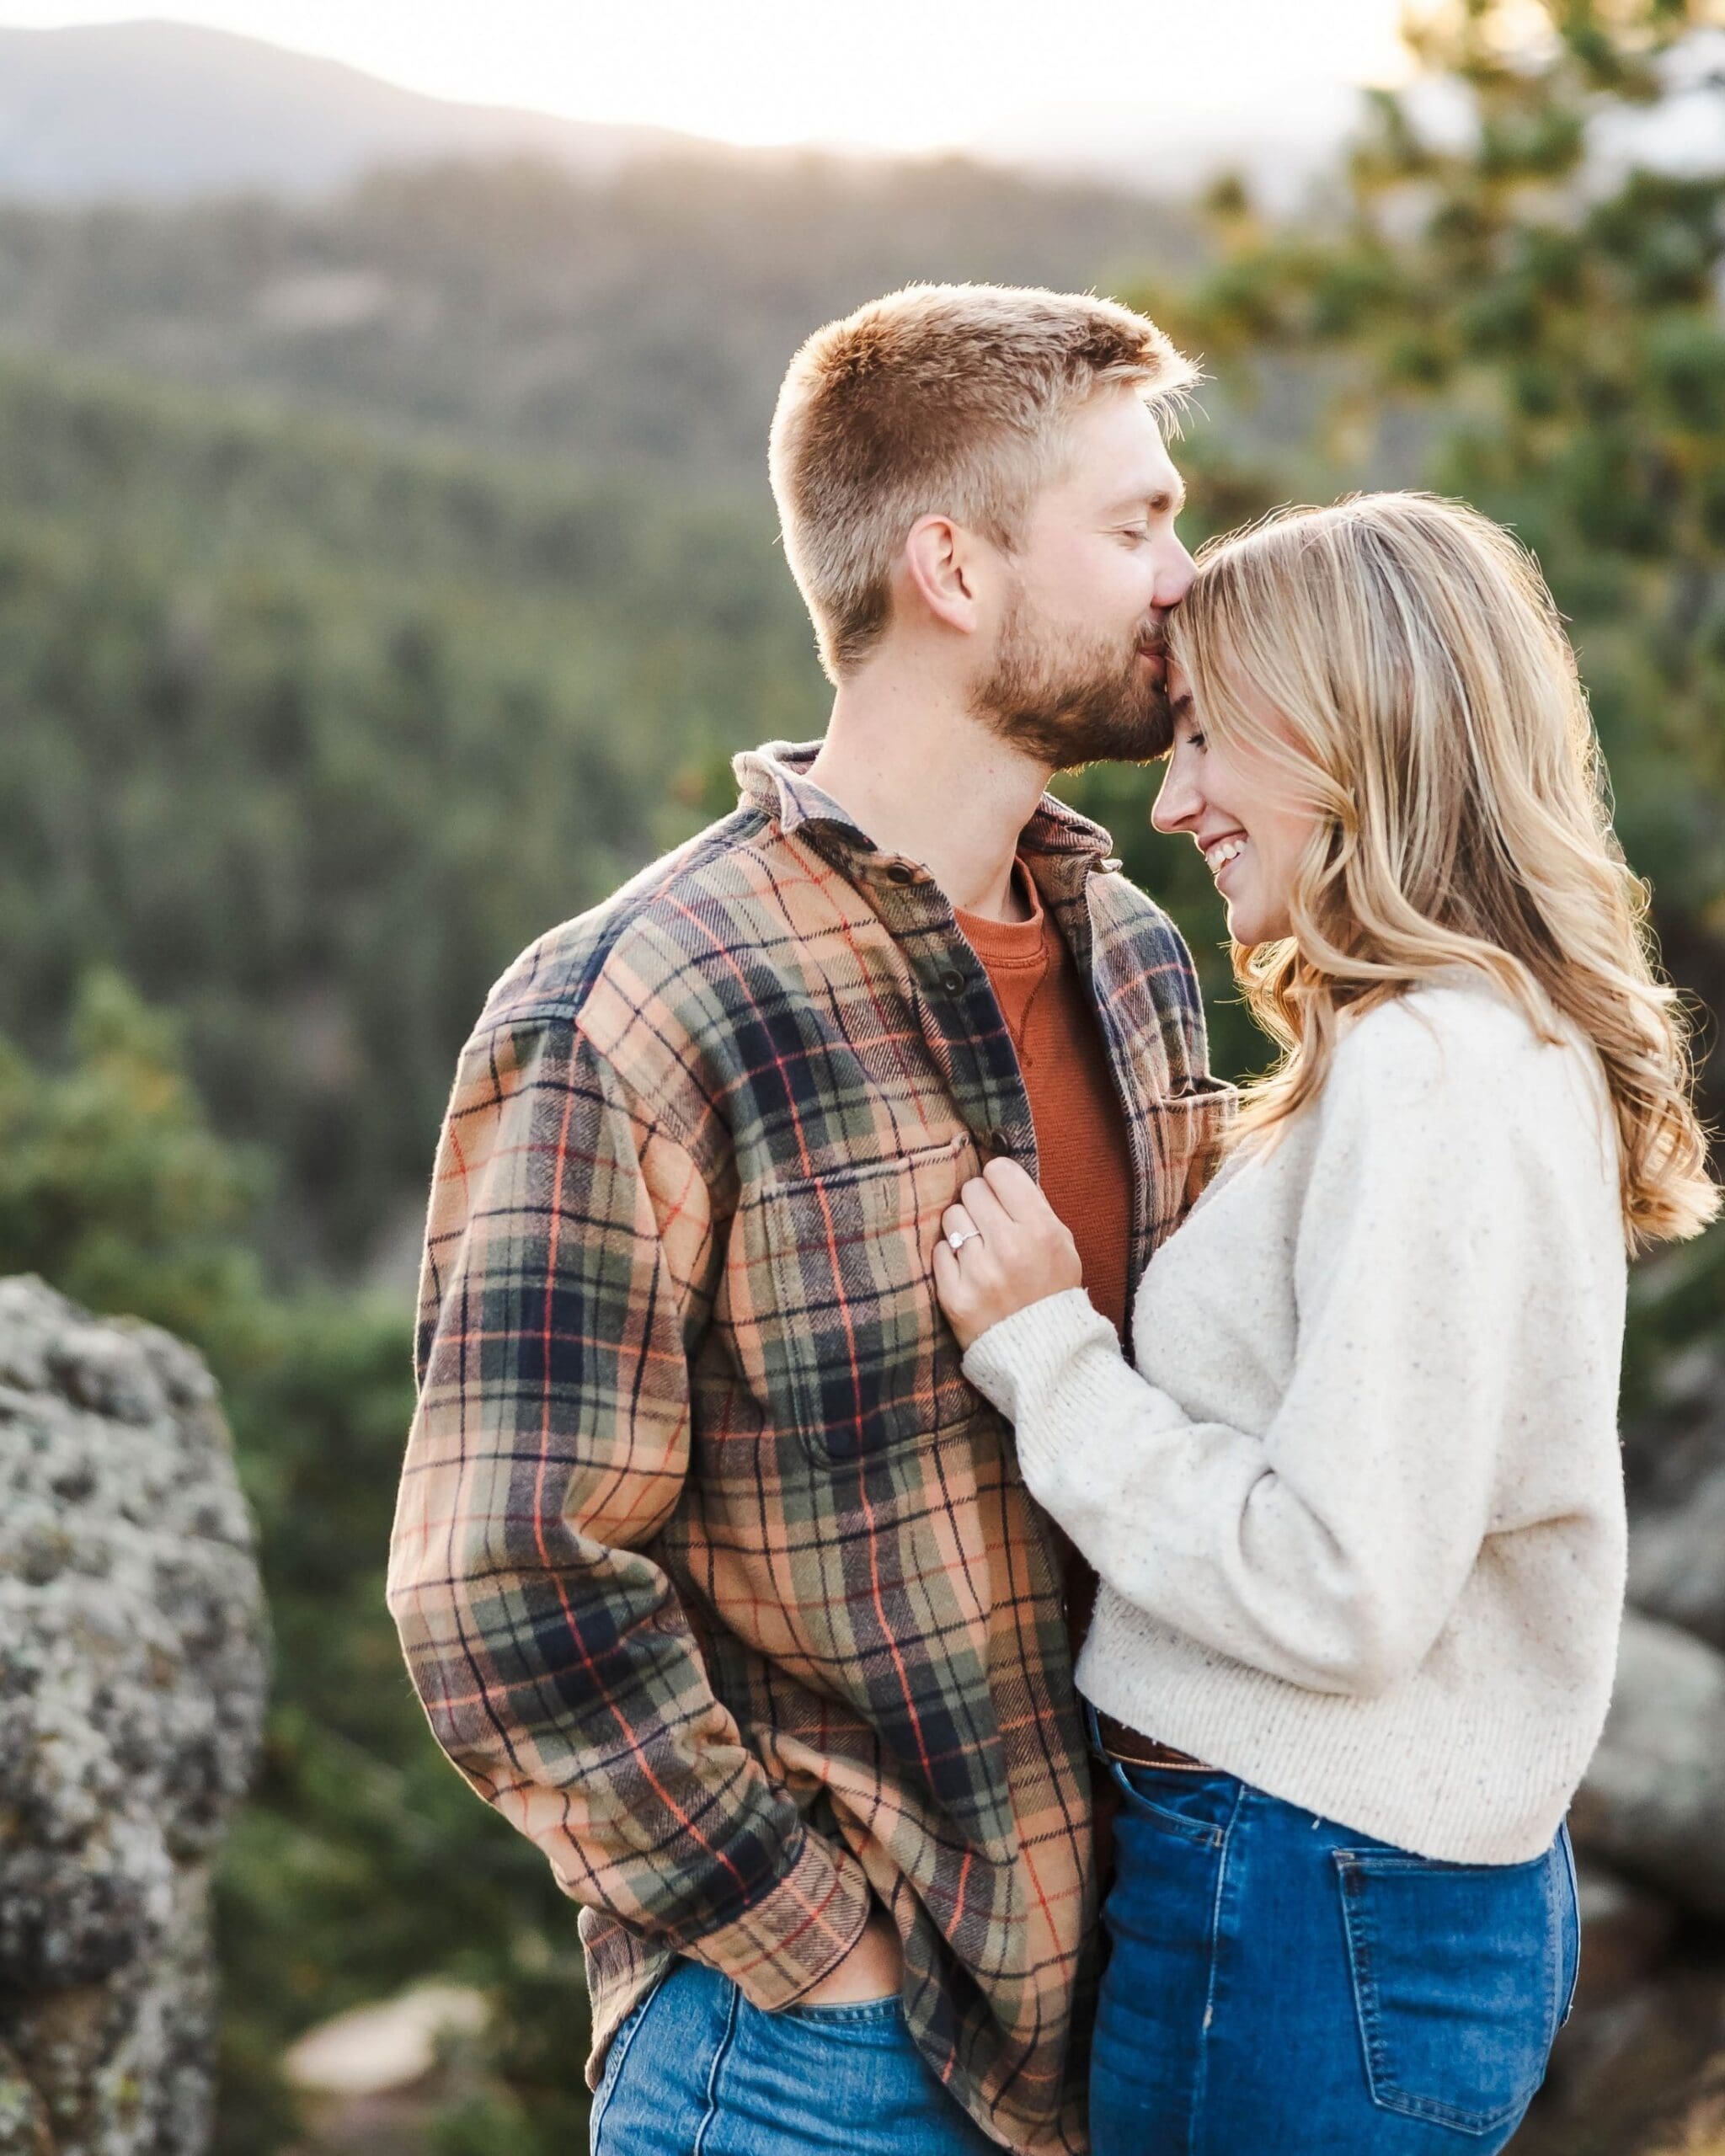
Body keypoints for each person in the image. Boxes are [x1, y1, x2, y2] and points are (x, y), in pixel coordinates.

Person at [386, 282, 1231, 2156]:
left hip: (1123, 2022)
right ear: (953, 563)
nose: (1185, 571)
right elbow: (499, 1578)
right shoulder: (639, 1000)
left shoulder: (1136, 954)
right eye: (1135, 522)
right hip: (812, 2067)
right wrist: (816, 1948)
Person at [934, 491, 1722, 2155]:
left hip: (1300, 1900)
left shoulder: (1436, 1066)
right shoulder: (1444, 1047)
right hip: (1329, 1891)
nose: (1173, 796)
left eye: (1211, 735)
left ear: (1350, 728)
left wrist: (1044, 1351)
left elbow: (1343, 1581)